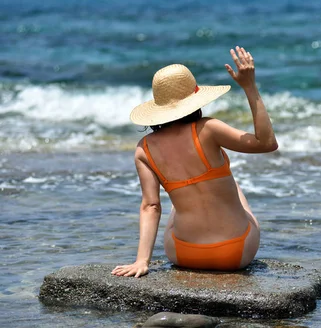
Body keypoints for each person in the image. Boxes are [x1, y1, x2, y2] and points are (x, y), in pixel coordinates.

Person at [112, 47, 278, 278]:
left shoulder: (144, 148)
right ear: (195, 99)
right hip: (235, 252)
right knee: (236, 190)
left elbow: (150, 206)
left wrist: (141, 261)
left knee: (176, 201)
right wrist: (249, 86)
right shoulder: (209, 129)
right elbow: (267, 143)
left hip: (183, 254)